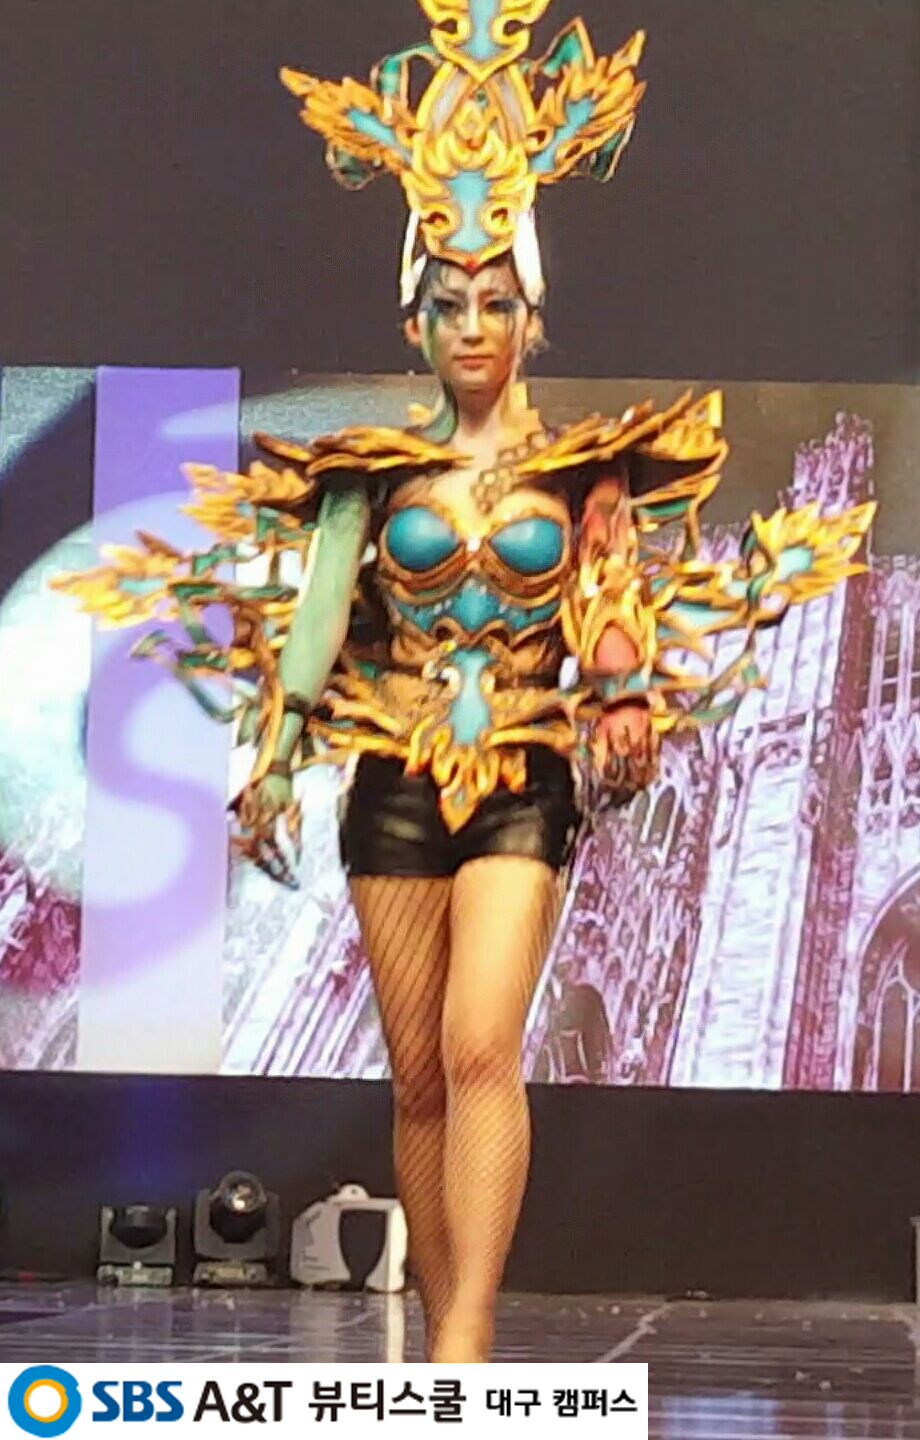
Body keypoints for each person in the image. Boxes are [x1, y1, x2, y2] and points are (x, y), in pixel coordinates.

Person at [54, 0, 873, 1362]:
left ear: (531, 315)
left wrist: (623, 698)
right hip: (391, 772)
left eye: (496, 301)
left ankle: (465, 1347)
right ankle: (442, 1336)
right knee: (422, 1076)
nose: (473, 325)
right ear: (416, 318)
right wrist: (274, 758)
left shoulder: (586, 470)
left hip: (523, 776)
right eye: (449, 303)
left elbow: (608, 599)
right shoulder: (367, 476)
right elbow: (323, 617)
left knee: (486, 1043)